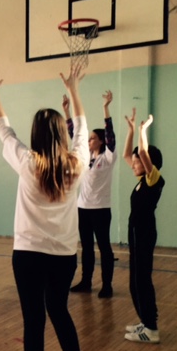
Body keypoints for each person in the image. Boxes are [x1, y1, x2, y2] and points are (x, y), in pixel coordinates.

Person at [0, 62, 89, 351]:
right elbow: (82, 130)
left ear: (36, 136)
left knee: (34, 319)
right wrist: (74, 91)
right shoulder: (76, 164)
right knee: (59, 310)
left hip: (28, 255)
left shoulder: (28, 163)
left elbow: (4, 130)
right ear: (61, 135)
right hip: (64, 256)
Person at [64, 91, 116, 298]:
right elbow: (74, 135)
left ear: (101, 141)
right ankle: (86, 281)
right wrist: (67, 111)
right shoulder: (85, 158)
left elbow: (110, 135)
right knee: (86, 248)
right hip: (83, 209)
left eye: (92, 138)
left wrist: (105, 108)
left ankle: (107, 285)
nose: (89, 141)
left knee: (104, 247)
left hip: (101, 210)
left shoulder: (108, 157)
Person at [122, 110, 165, 344]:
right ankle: (145, 321)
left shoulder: (154, 179)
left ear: (149, 164)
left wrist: (142, 130)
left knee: (142, 280)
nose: (134, 164)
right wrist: (130, 131)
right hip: (136, 233)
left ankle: (151, 329)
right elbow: (126, 155)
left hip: (145, 233)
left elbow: (143, 153)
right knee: (134, 281)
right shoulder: (141, 181)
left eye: (138, 162)